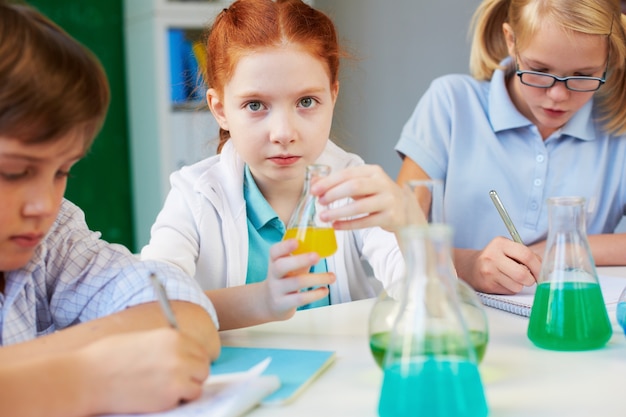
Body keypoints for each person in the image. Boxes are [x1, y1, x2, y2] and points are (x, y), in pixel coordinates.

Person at [0, 2, 221, 416]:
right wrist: (79, 378)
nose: (44, 204)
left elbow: (185, 313)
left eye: (62, 171)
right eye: (13, 172)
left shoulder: (51, 237)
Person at [141, 0, 409, 330]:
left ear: (333, 97)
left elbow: (432, 301)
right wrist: (262, 300)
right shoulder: (195, 196)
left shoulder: (353, 185)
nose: (283, 133)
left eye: (306, 102)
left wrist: (410, 229)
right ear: (221, 108)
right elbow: (151, 306)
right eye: (256, 105)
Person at [395, 0, 626, 295]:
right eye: (540, 69)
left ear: (608, 60)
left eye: (582, 76)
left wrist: (559, 249)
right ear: (511, 41)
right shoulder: (451, 104)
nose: (558, 95)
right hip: (454, 317)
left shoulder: (617, 128)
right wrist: (468, 265)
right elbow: (395, 231)